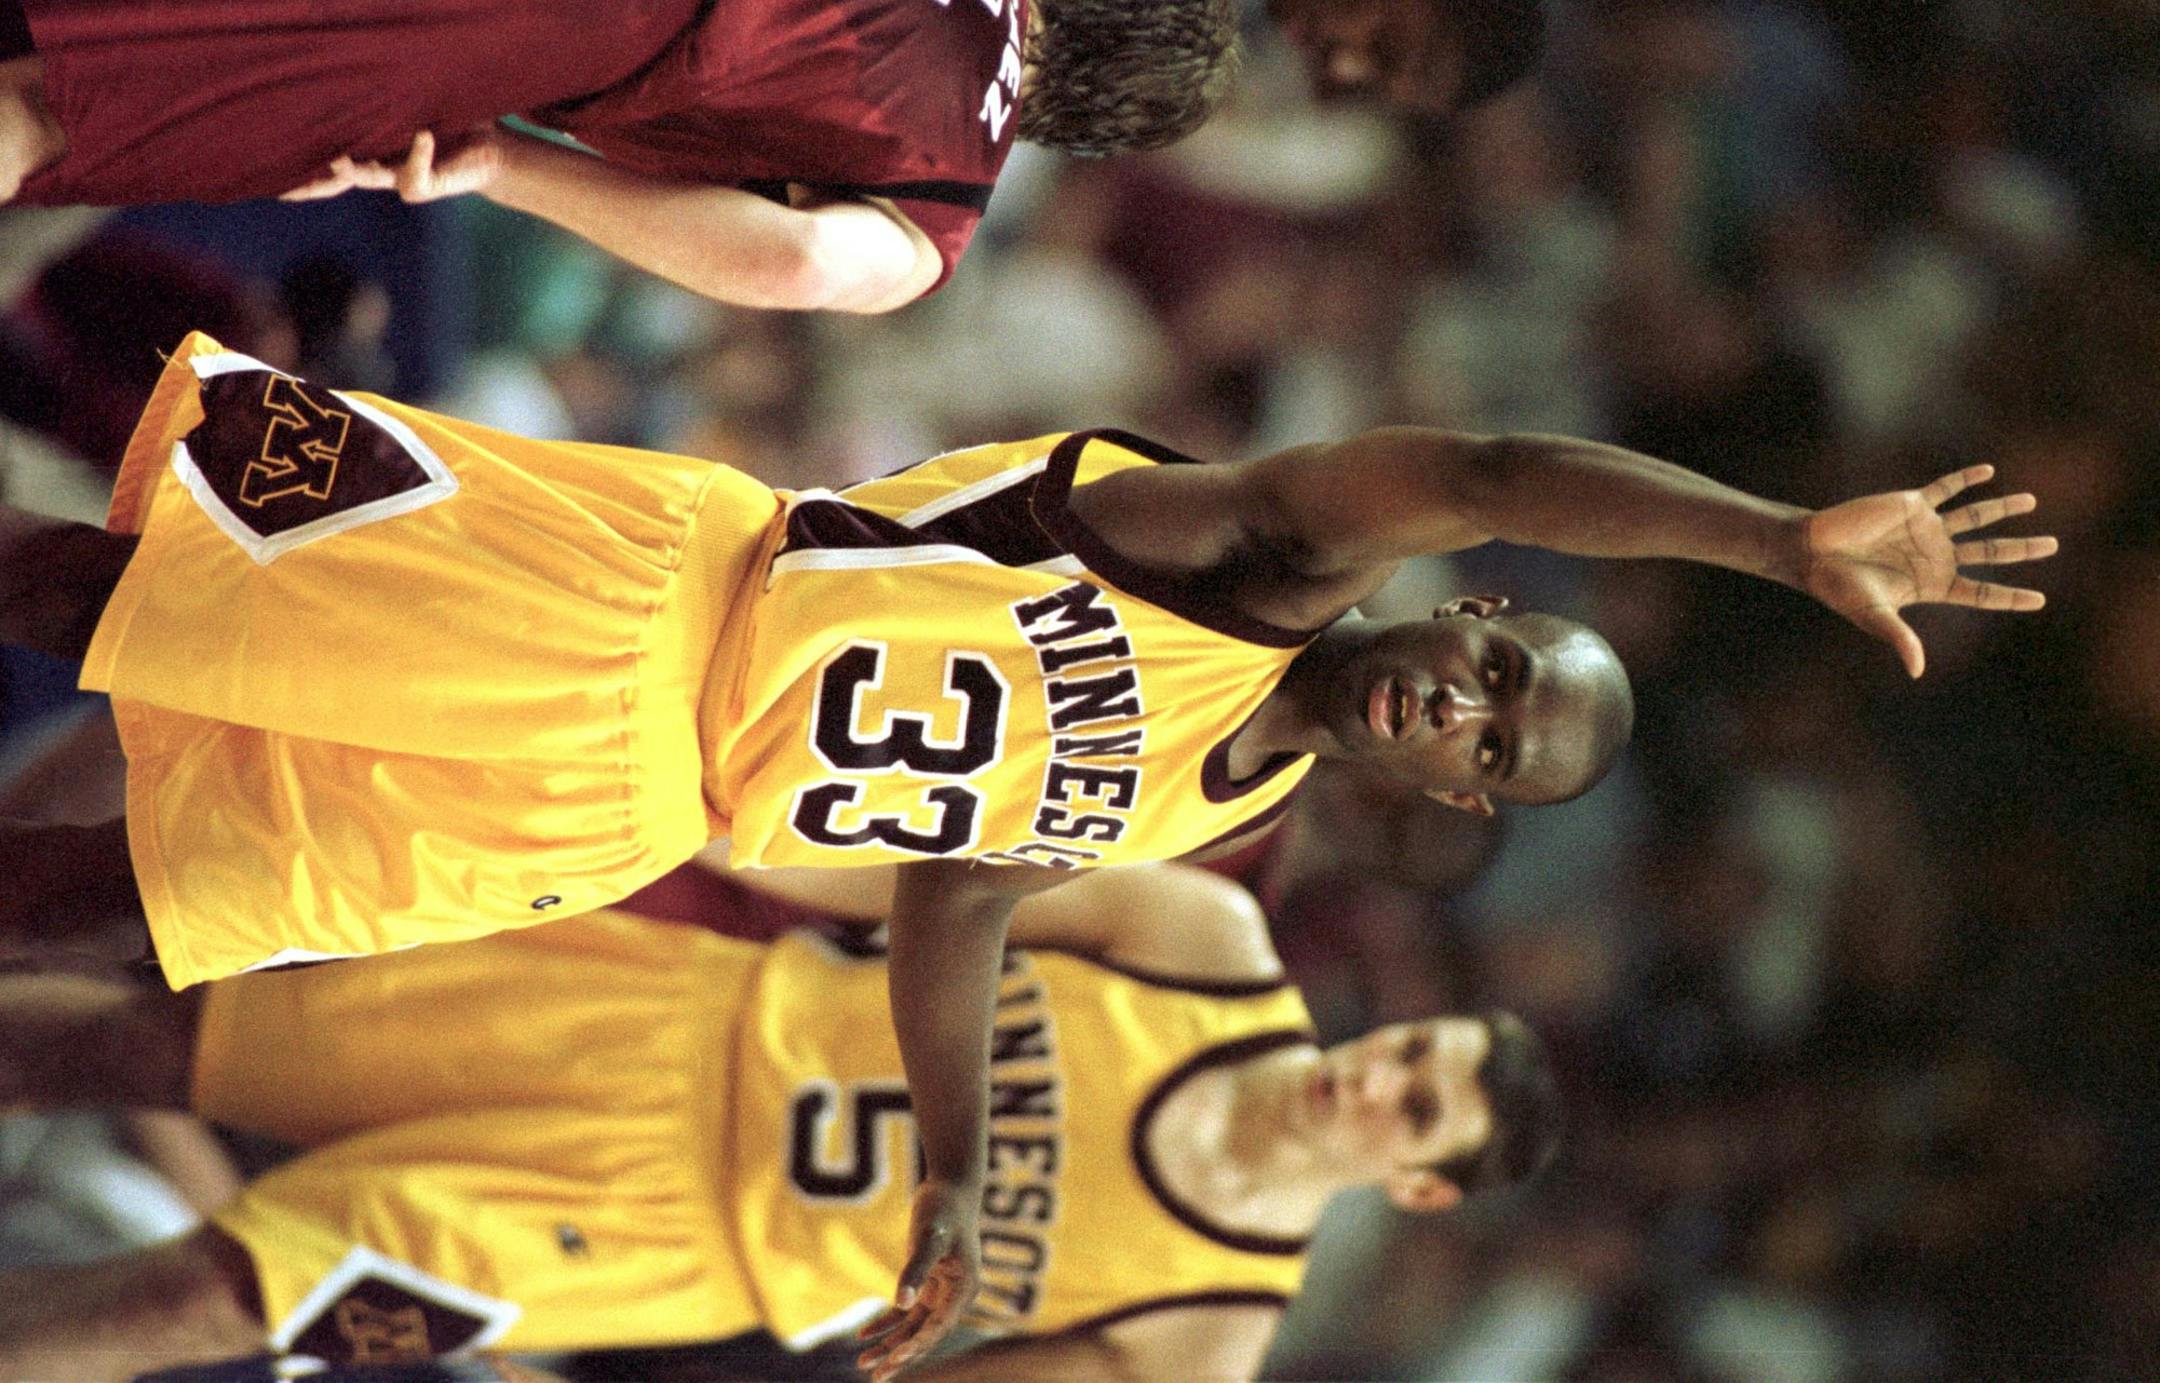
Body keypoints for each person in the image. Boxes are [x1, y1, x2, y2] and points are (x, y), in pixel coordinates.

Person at [0, 329, 2053, 1368]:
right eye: (1498, 660)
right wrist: (1772, 539)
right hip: (643, 602)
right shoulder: (1266, 548)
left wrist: (968, 1179)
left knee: (122, 913)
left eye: (1500, 750)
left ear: (1456, 806)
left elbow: (962, 884)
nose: (1472, 706)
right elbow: (1505, 462)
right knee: (89, 592)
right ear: (1463, 600)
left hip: (607, 822)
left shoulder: (1216, 810)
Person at [0, 862, 1560, 1381]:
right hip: (660, 1010)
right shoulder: (1212, 949)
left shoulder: (1204, 1326)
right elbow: (937, 880)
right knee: (141, 1041)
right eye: (1410, 1044)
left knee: (212, 1295)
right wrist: (677, 830)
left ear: (1417, 1183)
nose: (1378, 1072)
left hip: (656, 1241)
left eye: (1412, 1102)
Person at [0, 0, 1239, 313]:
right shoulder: (944, 194)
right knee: (56, 110)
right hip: (536, 35)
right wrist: (508, 168)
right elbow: (803, 261)